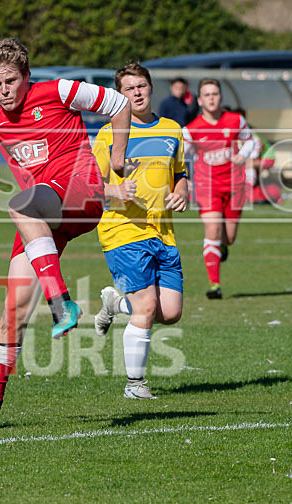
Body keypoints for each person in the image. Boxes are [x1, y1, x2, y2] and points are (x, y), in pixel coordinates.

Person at [0, 38, 131, 430]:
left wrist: (117, 159)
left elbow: (119, 104)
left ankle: (61, 304)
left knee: (18, 204)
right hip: (40, 216)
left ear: (26, 77)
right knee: (12, 312)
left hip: (78, 191)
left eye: (10, 81)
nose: (3, 90)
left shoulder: (58, 91)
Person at [92, 63, 188, 400]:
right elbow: (89, 185)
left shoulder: (172, 130)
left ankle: (116, 303)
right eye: (129, 88)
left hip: (163, 232)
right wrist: (114, 192)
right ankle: (135, 385)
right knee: (146, 306)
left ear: (150, 88)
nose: (137, 92)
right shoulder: (108, 135)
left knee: (171, 313)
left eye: (142, 85)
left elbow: (180, 172)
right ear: (120, 95)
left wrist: (183, 191)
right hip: (123, 230)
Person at [182, 79, 254, 299]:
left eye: (215, 93)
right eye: (207, 94)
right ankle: (214, 284)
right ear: (200, 99)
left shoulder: (235, 120)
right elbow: (179, 156)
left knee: (228, 237)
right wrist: (184, 178)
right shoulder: (191, 129)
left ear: (221, 97)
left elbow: (251, 141)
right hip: (207, 187)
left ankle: (222, 247)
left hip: (234, 186)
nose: (211, 98)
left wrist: (243, 154)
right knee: (212, 230)